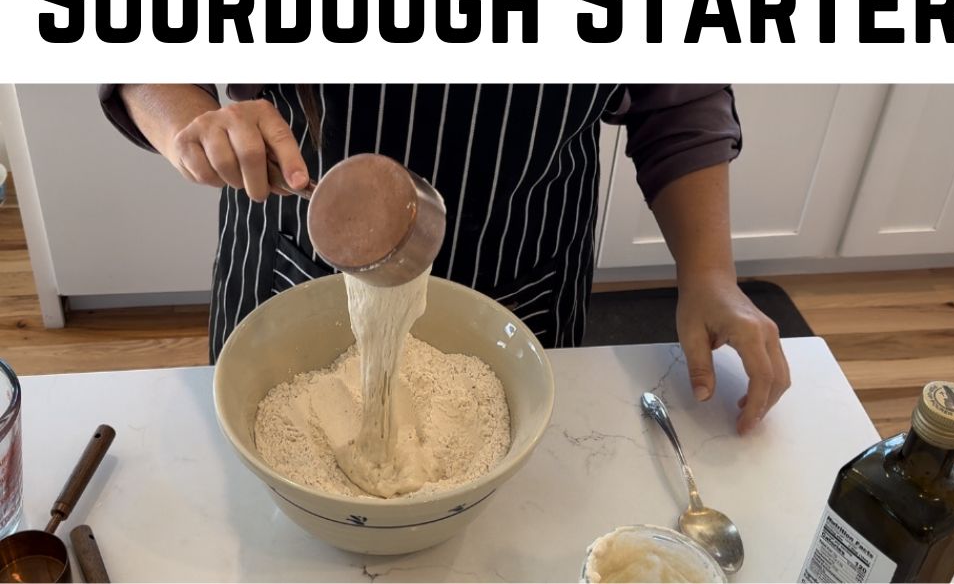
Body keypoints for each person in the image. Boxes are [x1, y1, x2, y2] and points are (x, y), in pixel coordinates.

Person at [100, 84, 790, 433]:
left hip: (519, 265)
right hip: (295, 252)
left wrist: (709, 275)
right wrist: (193, 121)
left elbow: (679, 94)